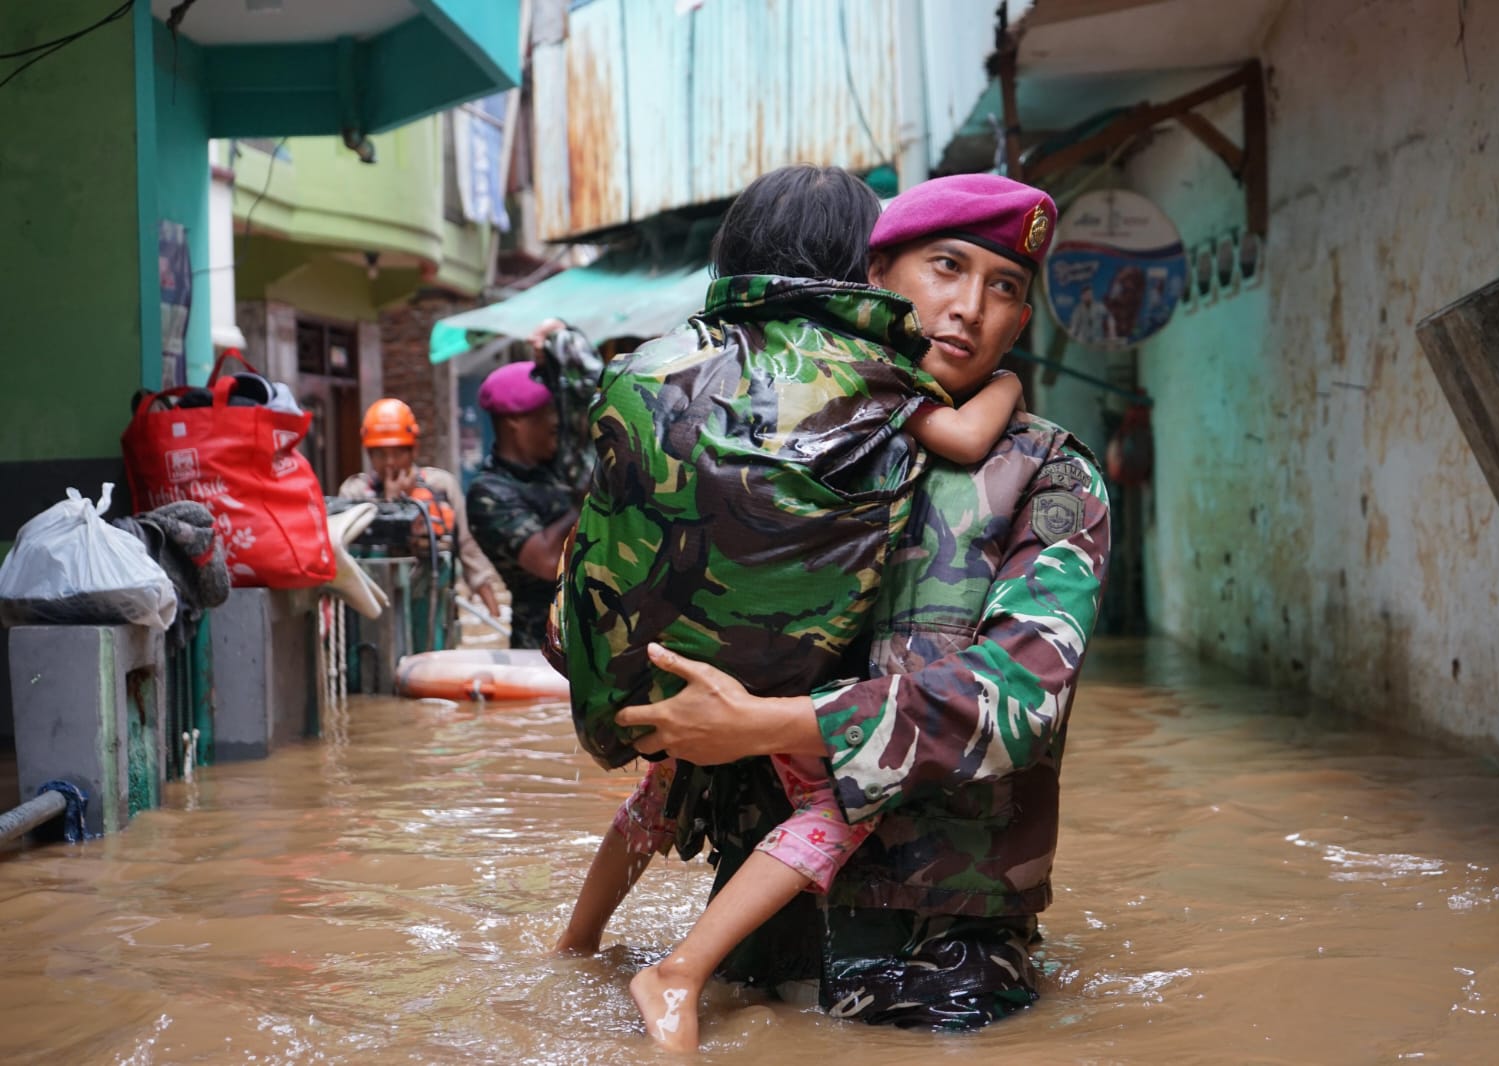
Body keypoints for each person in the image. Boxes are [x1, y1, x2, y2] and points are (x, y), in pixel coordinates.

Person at [592, 173, 1111, 1034]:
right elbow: (617, 627)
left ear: (1023, 322)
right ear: (876, 278)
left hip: (944, 946)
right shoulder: (756, 438)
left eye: (1005, 289)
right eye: (946, 267)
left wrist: (769, 726)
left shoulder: (1047, 475)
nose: (969, 309)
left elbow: (1021, 699)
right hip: (755, 928)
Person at [338, 398, 497, 616]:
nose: (390, 462)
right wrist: (391, 504)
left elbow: (467, 544)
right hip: (374, 608)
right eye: (380, 454)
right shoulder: (354, 493)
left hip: (432, 605)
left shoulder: (440, 487)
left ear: (414, 450)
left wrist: (488, 597)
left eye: (398, 452)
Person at [465, 364, 580, 650]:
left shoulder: (559, 466)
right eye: (547, 411)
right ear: (515, 420)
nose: (556, 421)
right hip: (547, 648)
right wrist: (594, 496)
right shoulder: (489, 493)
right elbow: (548, 560)